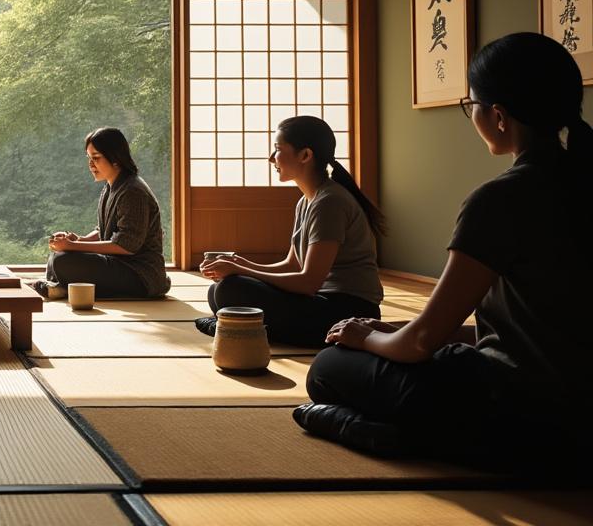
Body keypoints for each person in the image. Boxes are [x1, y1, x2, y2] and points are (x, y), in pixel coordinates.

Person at [295, 33, 593, 470]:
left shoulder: (501, 199)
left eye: (470, 105)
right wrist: (388, 331)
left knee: (329, 367)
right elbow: (537, 331)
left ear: (499, 116)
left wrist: (367, 337)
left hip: (522, 415)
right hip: (581, 422)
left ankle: (392, 435)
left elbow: (419, 343)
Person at [194, 116, 385, 347]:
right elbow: (292, 265)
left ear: (305, 155)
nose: (271, 158)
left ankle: (237, 326)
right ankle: (240, 325)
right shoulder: (307, 201)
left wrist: (240, 270)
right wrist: (240, 264)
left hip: (347, 313)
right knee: (218, 290)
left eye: (277, 149)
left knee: (230, 289)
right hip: (320, 301)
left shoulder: (330, 201)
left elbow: (308, 282)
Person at [34, 127, 169, 300]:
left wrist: (74, 247)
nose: (91, 164)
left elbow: (126, 245)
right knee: (58, 257)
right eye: (89, 158)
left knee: (63, 262)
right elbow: (105, 230)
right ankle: (61, 288)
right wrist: (78, 240)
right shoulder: (111, 186)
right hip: (119, 265)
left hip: (141, 274)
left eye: (96, 158)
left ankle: (62, 288)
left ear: (115, 159)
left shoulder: (133, 191)